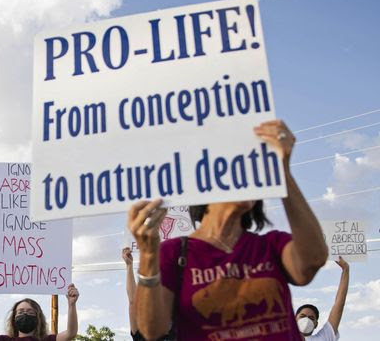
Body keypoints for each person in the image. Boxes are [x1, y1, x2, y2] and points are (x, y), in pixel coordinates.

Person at [129, 120, 329, 340]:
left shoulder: (271, 246)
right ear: (206, 181)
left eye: (253, 172)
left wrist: (282, 172)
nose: (248, 178)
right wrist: (148, 256)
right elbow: (151, 330)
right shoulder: (173, 253)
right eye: (237, 168)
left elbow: (313, 261)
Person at [0, 277, 79, 341]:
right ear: (13, 318)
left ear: (38, 318)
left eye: (30, 311)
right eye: (20, 312)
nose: (25, 314)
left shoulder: (49, 340)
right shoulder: (5, 340)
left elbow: (71, 333)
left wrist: (72, 304)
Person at [296, 257, 349, 340]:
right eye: (302, 316)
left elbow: (339, 303)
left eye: (311, 318)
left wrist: (345, 269)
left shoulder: (324, 337)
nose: (306, 320)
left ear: (316, 324)